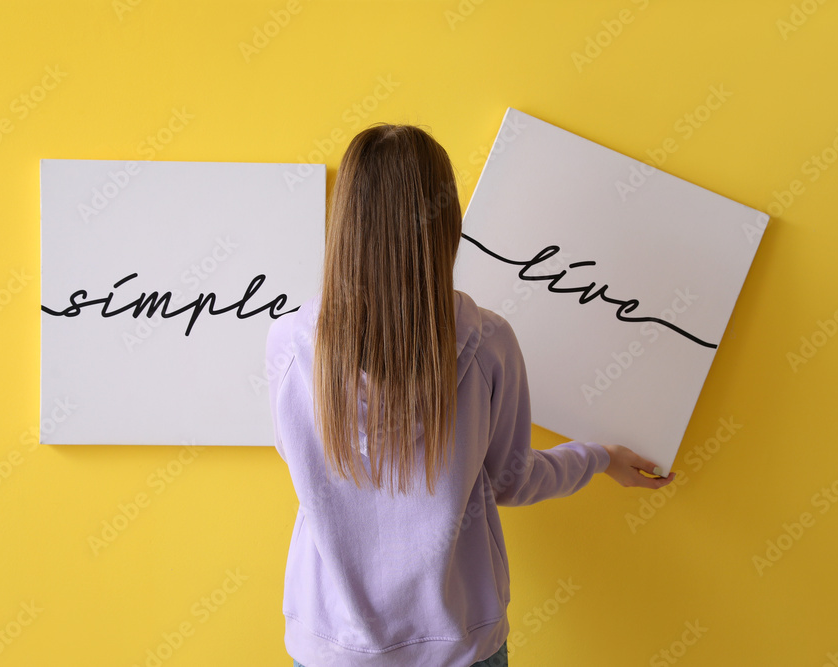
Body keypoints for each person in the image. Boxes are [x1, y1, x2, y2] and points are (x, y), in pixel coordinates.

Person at [265, 122, 676, 667]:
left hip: (332, 650)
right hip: (459, 646)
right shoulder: (489, 344)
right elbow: (512, 480)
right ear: (448, 222)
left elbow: (298, 457)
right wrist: (599, 457)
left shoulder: (290, 344)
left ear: (344, 222)